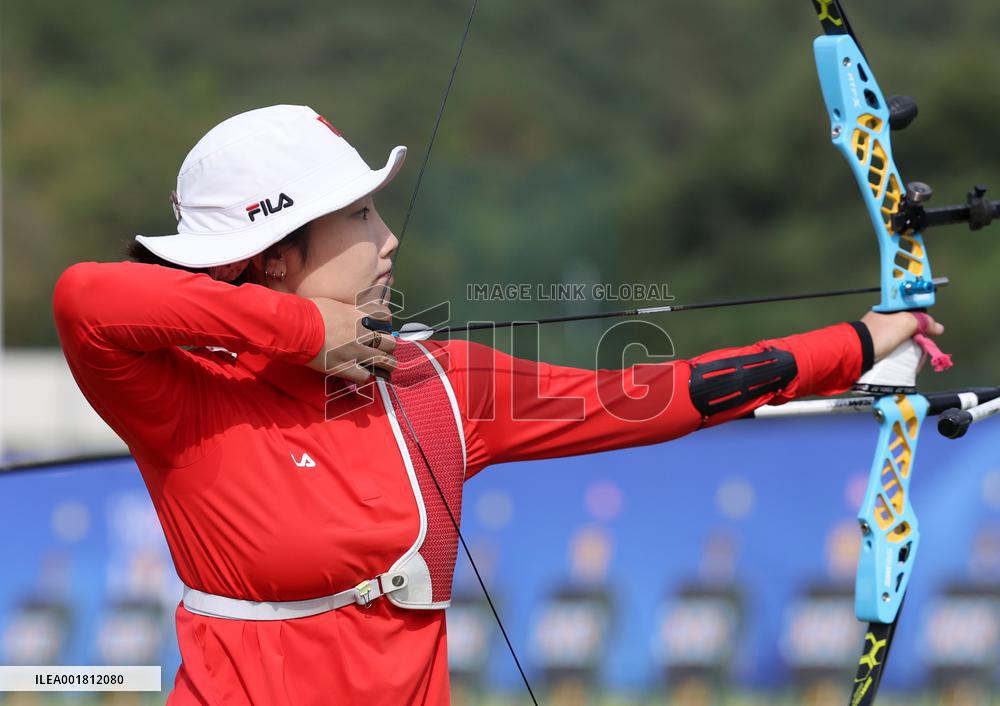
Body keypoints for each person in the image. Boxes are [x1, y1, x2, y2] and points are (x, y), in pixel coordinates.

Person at [52, 104, 942, 706]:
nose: (388, 240)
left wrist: (858, 343)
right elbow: (86, 297)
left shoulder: (433, 384)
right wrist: (301, 330)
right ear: (278, 255)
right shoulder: (183, 390)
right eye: (358, 218)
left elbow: (656, 394)